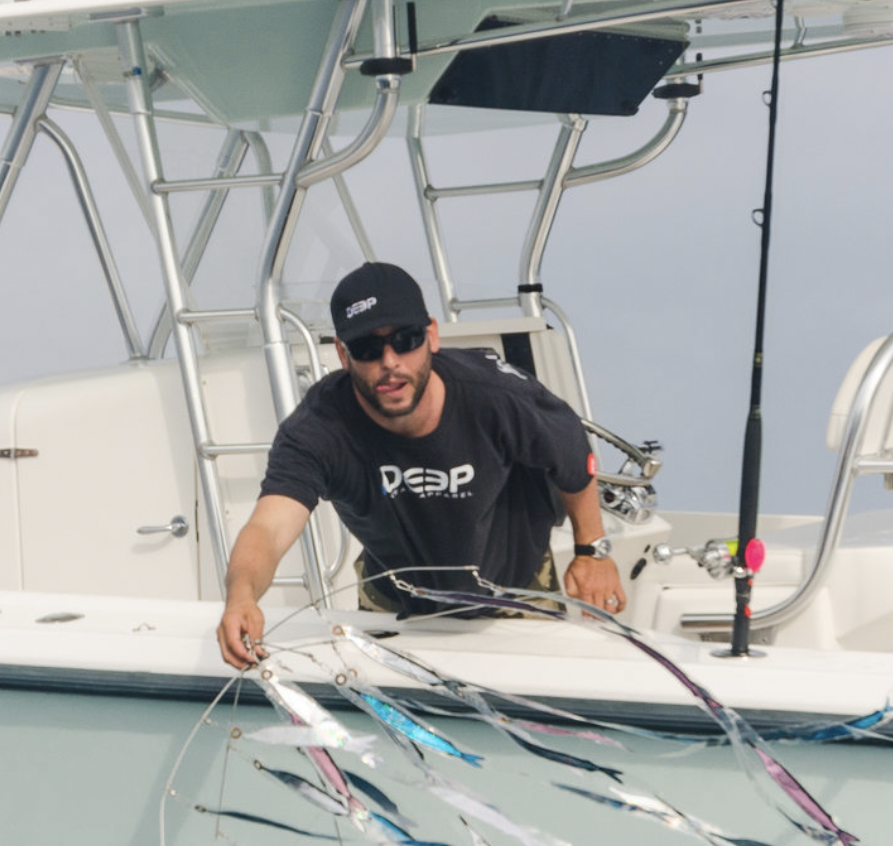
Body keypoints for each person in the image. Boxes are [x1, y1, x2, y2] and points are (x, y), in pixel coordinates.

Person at [218, 261, 622, 668]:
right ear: (343, 354)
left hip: (516, 591)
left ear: (431, 335)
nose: (390, 362)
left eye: (405, 340)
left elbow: (572, 454)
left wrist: (593, 551)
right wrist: (241, 598)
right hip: (393, 601)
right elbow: (268, 528)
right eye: (368, 349)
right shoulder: (318, 429)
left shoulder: (495, 395)